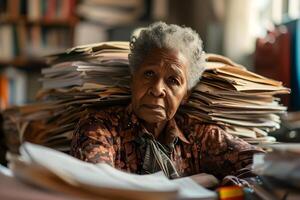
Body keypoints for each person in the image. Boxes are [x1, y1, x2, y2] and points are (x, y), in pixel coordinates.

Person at [70, 22, 264, 187]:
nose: (157, 89)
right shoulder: (100, 128)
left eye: (173, 80)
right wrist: (197, 182)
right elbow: (97, 187)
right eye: (148, 74)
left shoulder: (198, 136)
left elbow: (267, 167)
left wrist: (226, 188)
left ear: (185, 95)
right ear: (133, 79)